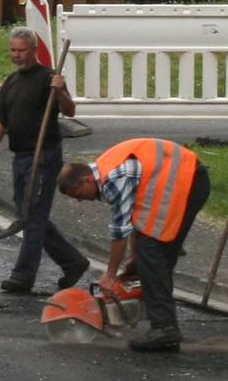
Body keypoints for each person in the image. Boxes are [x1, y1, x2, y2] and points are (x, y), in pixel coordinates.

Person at [58, 138, 209, 353]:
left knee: (152, 251)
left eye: (79, 196)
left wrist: (110, 275)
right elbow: (136, 218)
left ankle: (165, 328)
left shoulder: (113, 178)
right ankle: (163, 323)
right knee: (149, 253)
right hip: (181, 180)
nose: (82, 201)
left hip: (187, 182)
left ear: (86, 181)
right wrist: (133, 260)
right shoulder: (105, 171)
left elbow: (120, 232)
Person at [0, 27, 90, 295]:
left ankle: (23, 275)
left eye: (21, 50)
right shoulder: (11, 82)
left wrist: (61, 91)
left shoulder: (49, 78)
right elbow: (0, 118)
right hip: (21, 157)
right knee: (28, 215)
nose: (16, 55)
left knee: (33, 216)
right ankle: (73, 262)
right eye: (13, 50)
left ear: (33, 50)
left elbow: (70, 110)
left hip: (44, 157)